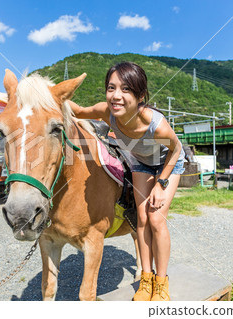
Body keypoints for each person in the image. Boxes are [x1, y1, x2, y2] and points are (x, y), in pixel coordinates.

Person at [69, 62, 184, 301]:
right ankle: (146, 278)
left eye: (126, 89)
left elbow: (176, 150)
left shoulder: (156, 125)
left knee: (155, 219)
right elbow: (78, 110)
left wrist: (161, 185)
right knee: (140, 219)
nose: (116, 96)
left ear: (140, 95)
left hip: (168, 163)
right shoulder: (107, 113)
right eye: (111, 88)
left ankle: (161, 284)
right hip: (142, 162)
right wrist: (48, 98)